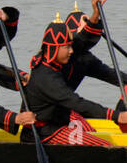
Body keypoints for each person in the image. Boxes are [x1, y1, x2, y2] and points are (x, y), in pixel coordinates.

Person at [22, 15, 127, 146]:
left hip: (60, 120)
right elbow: (76, 102)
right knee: (107, 147)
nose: (71, 50)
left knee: (91, 132)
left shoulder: (59, 61)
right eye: (67, 47)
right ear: (55, 48)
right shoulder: (46, 77)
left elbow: (84, 40)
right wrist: (117, 116)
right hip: (42, 133)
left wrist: (95, 16)